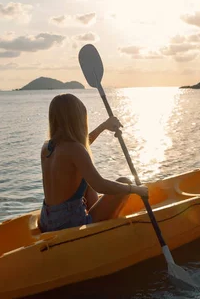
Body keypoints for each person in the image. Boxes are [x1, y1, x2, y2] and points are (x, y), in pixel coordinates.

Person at [39, 93, 148, 233]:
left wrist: (103, 126)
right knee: (124, 180)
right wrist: (134, 189)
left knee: (85, 182)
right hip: (68, 223)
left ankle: (96, 216)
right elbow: (100, 185)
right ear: (76, 119)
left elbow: (80, 147)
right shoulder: (74, 149)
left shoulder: (47, 147)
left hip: (47, 220)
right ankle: (108, 231)